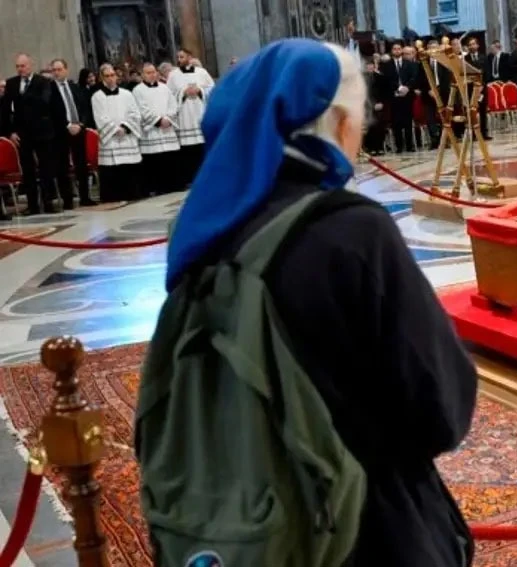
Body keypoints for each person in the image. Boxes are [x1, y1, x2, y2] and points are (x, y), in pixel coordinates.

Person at [162, 38, 477, 567]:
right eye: (360, 117)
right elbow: (441, 408)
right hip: (360, 529)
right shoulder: (352, 231)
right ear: (335, 121)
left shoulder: (198, 231)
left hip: (242, 517)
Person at [0, 53, 62, 215]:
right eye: (18, 66)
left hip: (42, 131)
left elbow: (44, 103)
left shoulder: (43, 82)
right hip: (22, 134)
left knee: (45, 168)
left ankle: (48, 202)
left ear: (30, 65)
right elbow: (6, 109)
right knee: (28, 170)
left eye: (23, 66)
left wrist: (25, 95)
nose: (20, 69)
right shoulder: (12, 83)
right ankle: (33, 205)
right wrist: (10, 131)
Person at [91, 63, 142, 202]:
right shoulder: (97, 97)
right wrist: (114, 129)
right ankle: (113, 197)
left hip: (126, 136)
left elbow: (135, 114)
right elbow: (100, 117)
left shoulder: (127, 94)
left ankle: (132, 194)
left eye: (112, 75)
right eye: (107, 76)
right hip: (111, 139)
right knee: (112, 169)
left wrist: (125, 127)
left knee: (129, 168)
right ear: (101, 78)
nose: (110, 79)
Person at [50, 58, 97, 208]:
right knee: (62, 167)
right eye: (54, 70)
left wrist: (81, 124)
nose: (57, 73)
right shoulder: (49, 89)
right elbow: (51, 113)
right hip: (61, 132)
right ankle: (68, 200)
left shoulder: (75, 87)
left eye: (59, 69)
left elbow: (84, 108)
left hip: (79, 130)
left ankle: (85, 197)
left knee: (81, 165)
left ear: (66, 70)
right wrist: (67, 125)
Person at [132, 62, 183, 194]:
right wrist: (159, 120)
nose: (152, 75)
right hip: (152, 131)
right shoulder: (138, 90)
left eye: (154, 72)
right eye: (148, 73)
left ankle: (174, 185)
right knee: (155, 161)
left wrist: (168, 119)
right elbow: (141, 110)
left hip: (167, 129)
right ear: (142, 75)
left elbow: (173, 105)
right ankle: (157, 187)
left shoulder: (164, 88)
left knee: (170, 160)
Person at [166, 48, 214, 185]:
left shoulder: (202, 72)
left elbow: (212, 89)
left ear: (190, 57)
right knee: (188, 150)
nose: (179, 60)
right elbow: (168, 95)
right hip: (184, 115)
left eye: (182, 57)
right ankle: (191, 178)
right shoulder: (173, 75)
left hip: (200, 112)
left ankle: (207, 177)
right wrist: (183, 92)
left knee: (203, 146)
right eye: (178, 57)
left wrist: (200, 91)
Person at [379, 41, 418, 153]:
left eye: (399, 48)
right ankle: (399, 146)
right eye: (394, 49)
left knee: (407, 121)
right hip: (394, 96)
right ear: (392, 51)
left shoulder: (409, 63)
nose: (397, 51)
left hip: (407, 96)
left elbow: (413, 78)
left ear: (402, 50)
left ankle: (410, 145)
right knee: (396, 123)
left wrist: (407, 87)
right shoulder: (386, 65)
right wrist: (397, 89)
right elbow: (386, 81)